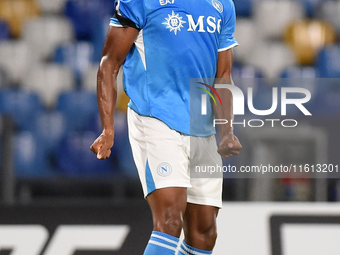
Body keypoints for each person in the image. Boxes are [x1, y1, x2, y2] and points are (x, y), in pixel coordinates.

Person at [90, 0, 242, 254]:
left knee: (204, 234)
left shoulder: (223, 5)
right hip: (156, 118)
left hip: (202, 128)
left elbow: (223, 75)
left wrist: (226, 131)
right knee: (170, 220)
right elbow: (109, 62)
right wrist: (108, 129)